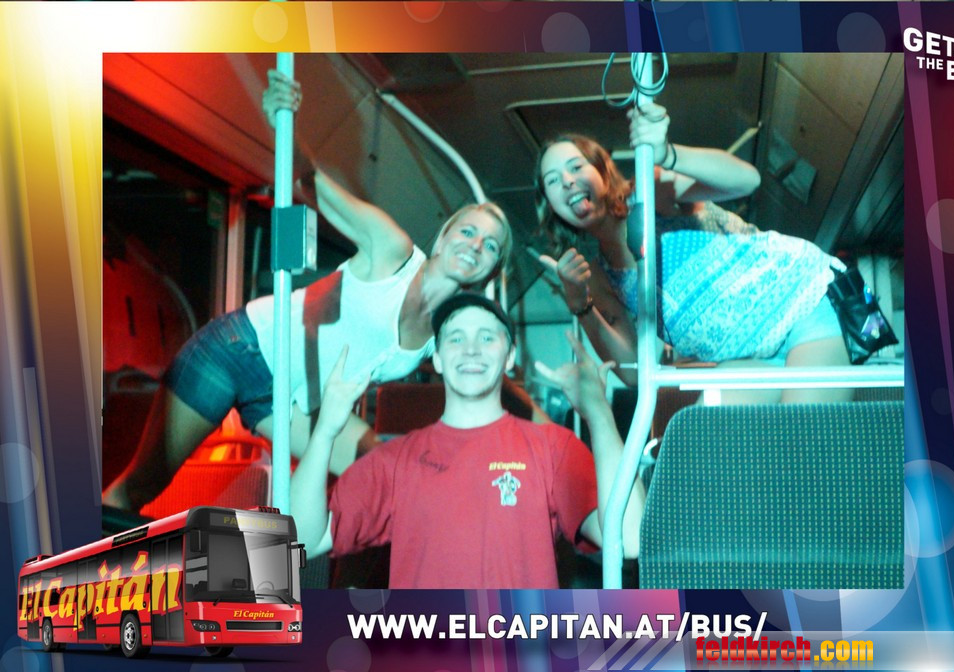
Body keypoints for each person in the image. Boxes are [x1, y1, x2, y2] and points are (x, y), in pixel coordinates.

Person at [103, 71, 514, 511]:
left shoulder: (445, 332)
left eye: (490, 245)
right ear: (444, 236)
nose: (476, 245)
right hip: (241, 349)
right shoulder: (393, 250)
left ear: (492, 269)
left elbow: (484, 382)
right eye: (467, 231)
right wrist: (286, 120)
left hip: (289, 401)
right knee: (141, 488)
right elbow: (308, 181)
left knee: (382, 468)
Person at [291, 293, 646, 588]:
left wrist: (598, 413)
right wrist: (325, 431)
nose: (471, 349)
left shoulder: (552, 447)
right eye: (456, 338)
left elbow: (629, 538)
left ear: (509, 357)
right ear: (438, 358)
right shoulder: (396, 460)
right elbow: (302, 541)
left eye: (487, 337)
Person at [535, 102, 852, 403]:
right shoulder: (600, 277)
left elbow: (747, 180)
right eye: (553, 180)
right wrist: (579, 304)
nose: (567, 181)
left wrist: (668, 154)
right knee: (703, 438)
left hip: (803, 302)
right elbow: (633, 370)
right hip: (752, 356)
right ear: (549, 204)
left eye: (576, 167)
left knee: (803, 431)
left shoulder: (649, 191)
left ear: (602, 170)